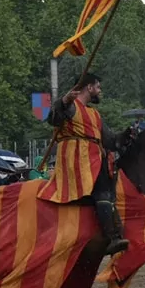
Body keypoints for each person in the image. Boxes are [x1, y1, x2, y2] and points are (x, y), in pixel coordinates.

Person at [37, 72, 128, 255]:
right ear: (89, 87)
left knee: (110, 186)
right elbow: (53, 118)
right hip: (77, 159)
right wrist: (63, 102)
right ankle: (111, 237)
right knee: (102, 189)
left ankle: (114, 231)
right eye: (98, 87)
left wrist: (126, 136)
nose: (99, 91)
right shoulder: (71, 107)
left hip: (95, 157)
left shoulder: (94, 114)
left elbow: (110, 141)